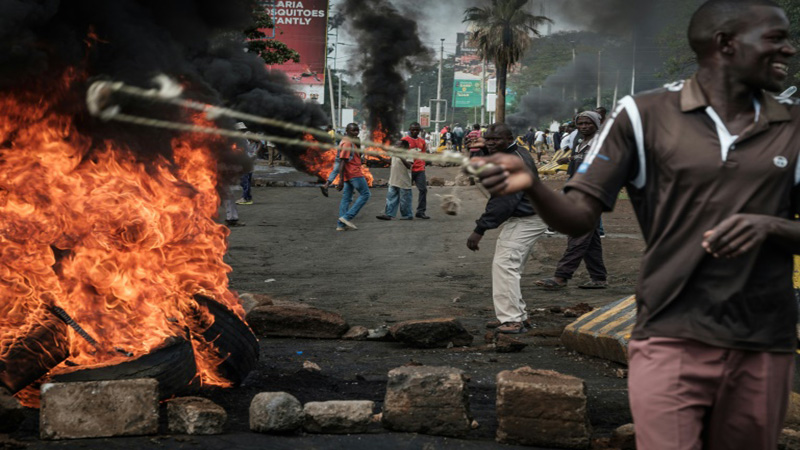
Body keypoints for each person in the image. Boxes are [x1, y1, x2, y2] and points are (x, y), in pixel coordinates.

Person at [471, 1, 798, 447]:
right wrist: (532, 185)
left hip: (763, 339)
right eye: (775, 39)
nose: (790, 49)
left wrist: (771, 227)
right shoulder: (643, 116)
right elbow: (579, 216)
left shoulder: (793, 126)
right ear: (726, 44)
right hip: (668, 334)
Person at [467, 123, 546, 334]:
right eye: (488, 139)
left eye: (496, 140)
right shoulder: (515, 153)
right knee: (511, 266)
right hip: (532, 215)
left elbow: (503, 202)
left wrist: (480, 230)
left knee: (505, 265)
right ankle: (518, 315)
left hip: (527, 218)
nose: (491, 143)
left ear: (510, 138)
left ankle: (512, 319)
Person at [536, 111, 607, 290]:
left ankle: (561, 276)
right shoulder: (581, 143)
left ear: (597, 124)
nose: (583, 127)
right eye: (580, 124)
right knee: (590, 240)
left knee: (578, 235)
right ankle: (598, 278)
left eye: (588, 123)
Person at [336, 123, 371, 231]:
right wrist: (341, 180)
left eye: (357, 130)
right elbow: (342, 161)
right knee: (365, 194)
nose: (356, 132)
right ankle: (347, 217)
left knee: (346, 198)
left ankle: (341, 225)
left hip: (349, 174)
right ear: (347, 131)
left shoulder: (351, 141)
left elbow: (357, 156)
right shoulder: (347, 143)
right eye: (353, 131)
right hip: (354, 173)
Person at [376, 138, 414, 221]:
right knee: (391, 198)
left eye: (397, 145)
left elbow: (409, 166)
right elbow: (390, 161)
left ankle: (407, 215)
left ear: (403, 147)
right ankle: (389, 214)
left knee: (405, 201)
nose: (395, 147)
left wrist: (400, 157)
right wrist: (380, 158)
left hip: (404, 182)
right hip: (393, 180)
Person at [405, 122, 430, 219]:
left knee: (423, 190)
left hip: (420, 169)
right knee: (406, 191)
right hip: (409, 169)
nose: (415, 131)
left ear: (420, 130)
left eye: (417, 130)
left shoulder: (422, 142)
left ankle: (420, 211)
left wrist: (423, 164)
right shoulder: (405, 140)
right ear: (410, 129)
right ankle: (407, 212)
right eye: (413, 129)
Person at [234, 122, 260, 205]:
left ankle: (245, 198)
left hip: (248, 160)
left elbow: (260, 143)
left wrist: (255, 153)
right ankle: (248, 197)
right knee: (247, 179)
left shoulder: (247, 135)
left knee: (244, 180)